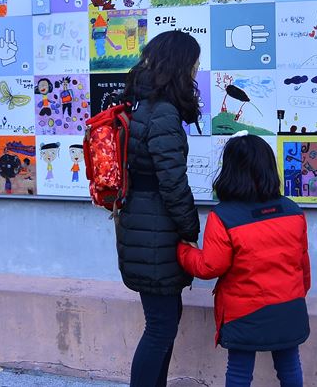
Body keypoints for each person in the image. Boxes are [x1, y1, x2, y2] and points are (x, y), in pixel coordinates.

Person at [177, 132, 311, 387]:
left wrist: (183, 251)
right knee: (290, 365)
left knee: (239, 372)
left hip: (244, 311)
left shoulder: (224, 216)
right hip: (289, 305)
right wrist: (296, 295)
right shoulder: (293, 210)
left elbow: (209, 266)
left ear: (230, 171)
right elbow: (303, 263)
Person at [115, 30, 202, 387]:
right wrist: (190, 229)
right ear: (181, 65)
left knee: (164, 322)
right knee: (160, 326)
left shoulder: (144, 106)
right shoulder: (162, 112)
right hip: (155, 232)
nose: (197, 70)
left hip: (143, 225)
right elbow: (172, 182)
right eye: (195, 63)